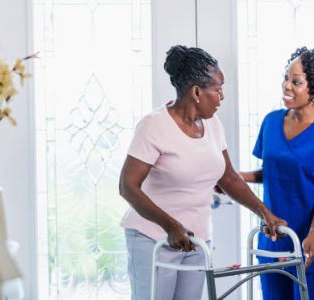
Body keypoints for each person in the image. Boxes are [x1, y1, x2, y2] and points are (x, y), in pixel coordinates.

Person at [119, 45, 286, 300]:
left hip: (195, 241)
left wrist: (265, 213)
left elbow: (228, 177)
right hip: (152, 238)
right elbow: (127, 186)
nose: (222, 96)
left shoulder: (213, 125)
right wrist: (170, 225)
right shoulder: (154, 126)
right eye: (217, 89)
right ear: (196, 91)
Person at [241, 47, 314, 300]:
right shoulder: (271, 122)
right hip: (273, 241)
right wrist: (238, 177)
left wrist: (312, 234)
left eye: (296, 82)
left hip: (310, 244)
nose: (286, 86)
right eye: (286, 78)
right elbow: (275, 173)